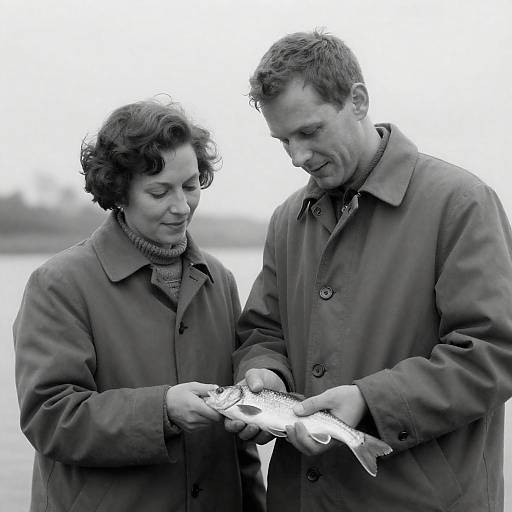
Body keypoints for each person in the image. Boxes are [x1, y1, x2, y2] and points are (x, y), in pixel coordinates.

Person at [227, 30, 512, 512]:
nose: (298, 157)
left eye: (310, 132)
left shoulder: (460, 203)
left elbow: (495, 350)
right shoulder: (286, 220)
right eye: (284, 140)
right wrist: (263, 375)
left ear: (357, 101)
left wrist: (371, 401)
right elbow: (263, 332)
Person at [13, 99, 265, 512]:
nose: (181, 207)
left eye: (190, 185)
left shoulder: (220, 280)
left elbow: (241, 448)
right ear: (119, 193)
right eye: (159, 191)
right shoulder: (58, 284)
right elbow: (50, 417)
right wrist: (162, 410)